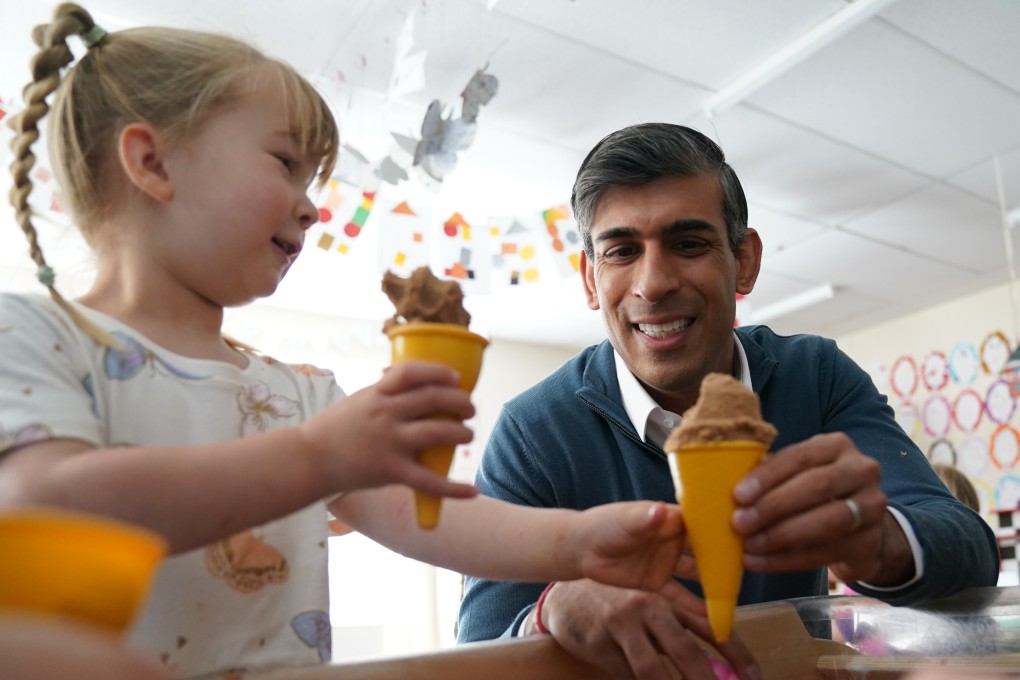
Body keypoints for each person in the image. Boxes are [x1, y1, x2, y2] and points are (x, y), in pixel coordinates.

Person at [0, 8, 690, 677]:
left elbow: (427, 516)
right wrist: (315, 457)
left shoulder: (302, 395)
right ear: (152, 162)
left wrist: (576, 541)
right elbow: (43, 504)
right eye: (283, 163)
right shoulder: (36, 337)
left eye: (314, 179)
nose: (312, 205)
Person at [457, 122, 1000, 680]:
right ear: (591, 279)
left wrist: (880, 540)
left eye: (688, 244)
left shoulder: (814, 376)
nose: (653, 283)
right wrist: (549, 614)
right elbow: (475, 656)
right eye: (621, 251)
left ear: (744, 261)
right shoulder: (532, 432)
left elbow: (970, 551)